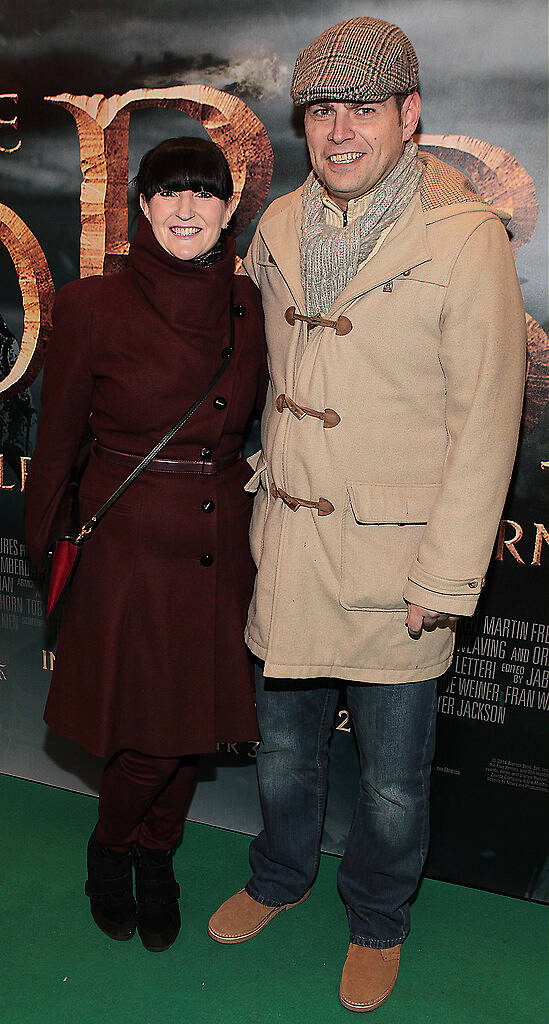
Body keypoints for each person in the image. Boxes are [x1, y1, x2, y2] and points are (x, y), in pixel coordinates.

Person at [208, 17, 526, 1012]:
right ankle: (278, 877)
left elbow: (486, 424)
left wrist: (447, 573)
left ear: (410, 113)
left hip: (401, 566)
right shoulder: (278, 222)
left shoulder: (464, 235)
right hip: (293, 543)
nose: (340, 130)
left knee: (392, 779)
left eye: (363, 108)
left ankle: (379, 916)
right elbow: (245, 364)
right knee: (289, 748)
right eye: (322, 111)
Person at [25, 136, 266, 953]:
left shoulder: (248, 305)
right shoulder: (90, 305)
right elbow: (54, 447)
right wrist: (47, 557)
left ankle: (154, 857)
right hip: (125, 554)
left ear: (231, 209)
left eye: (205, 193)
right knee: (151, 738)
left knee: (188, 729)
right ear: (143, 205)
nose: (187, 209)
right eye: (170, 193)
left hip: (220, 549)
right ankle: (113, 850)